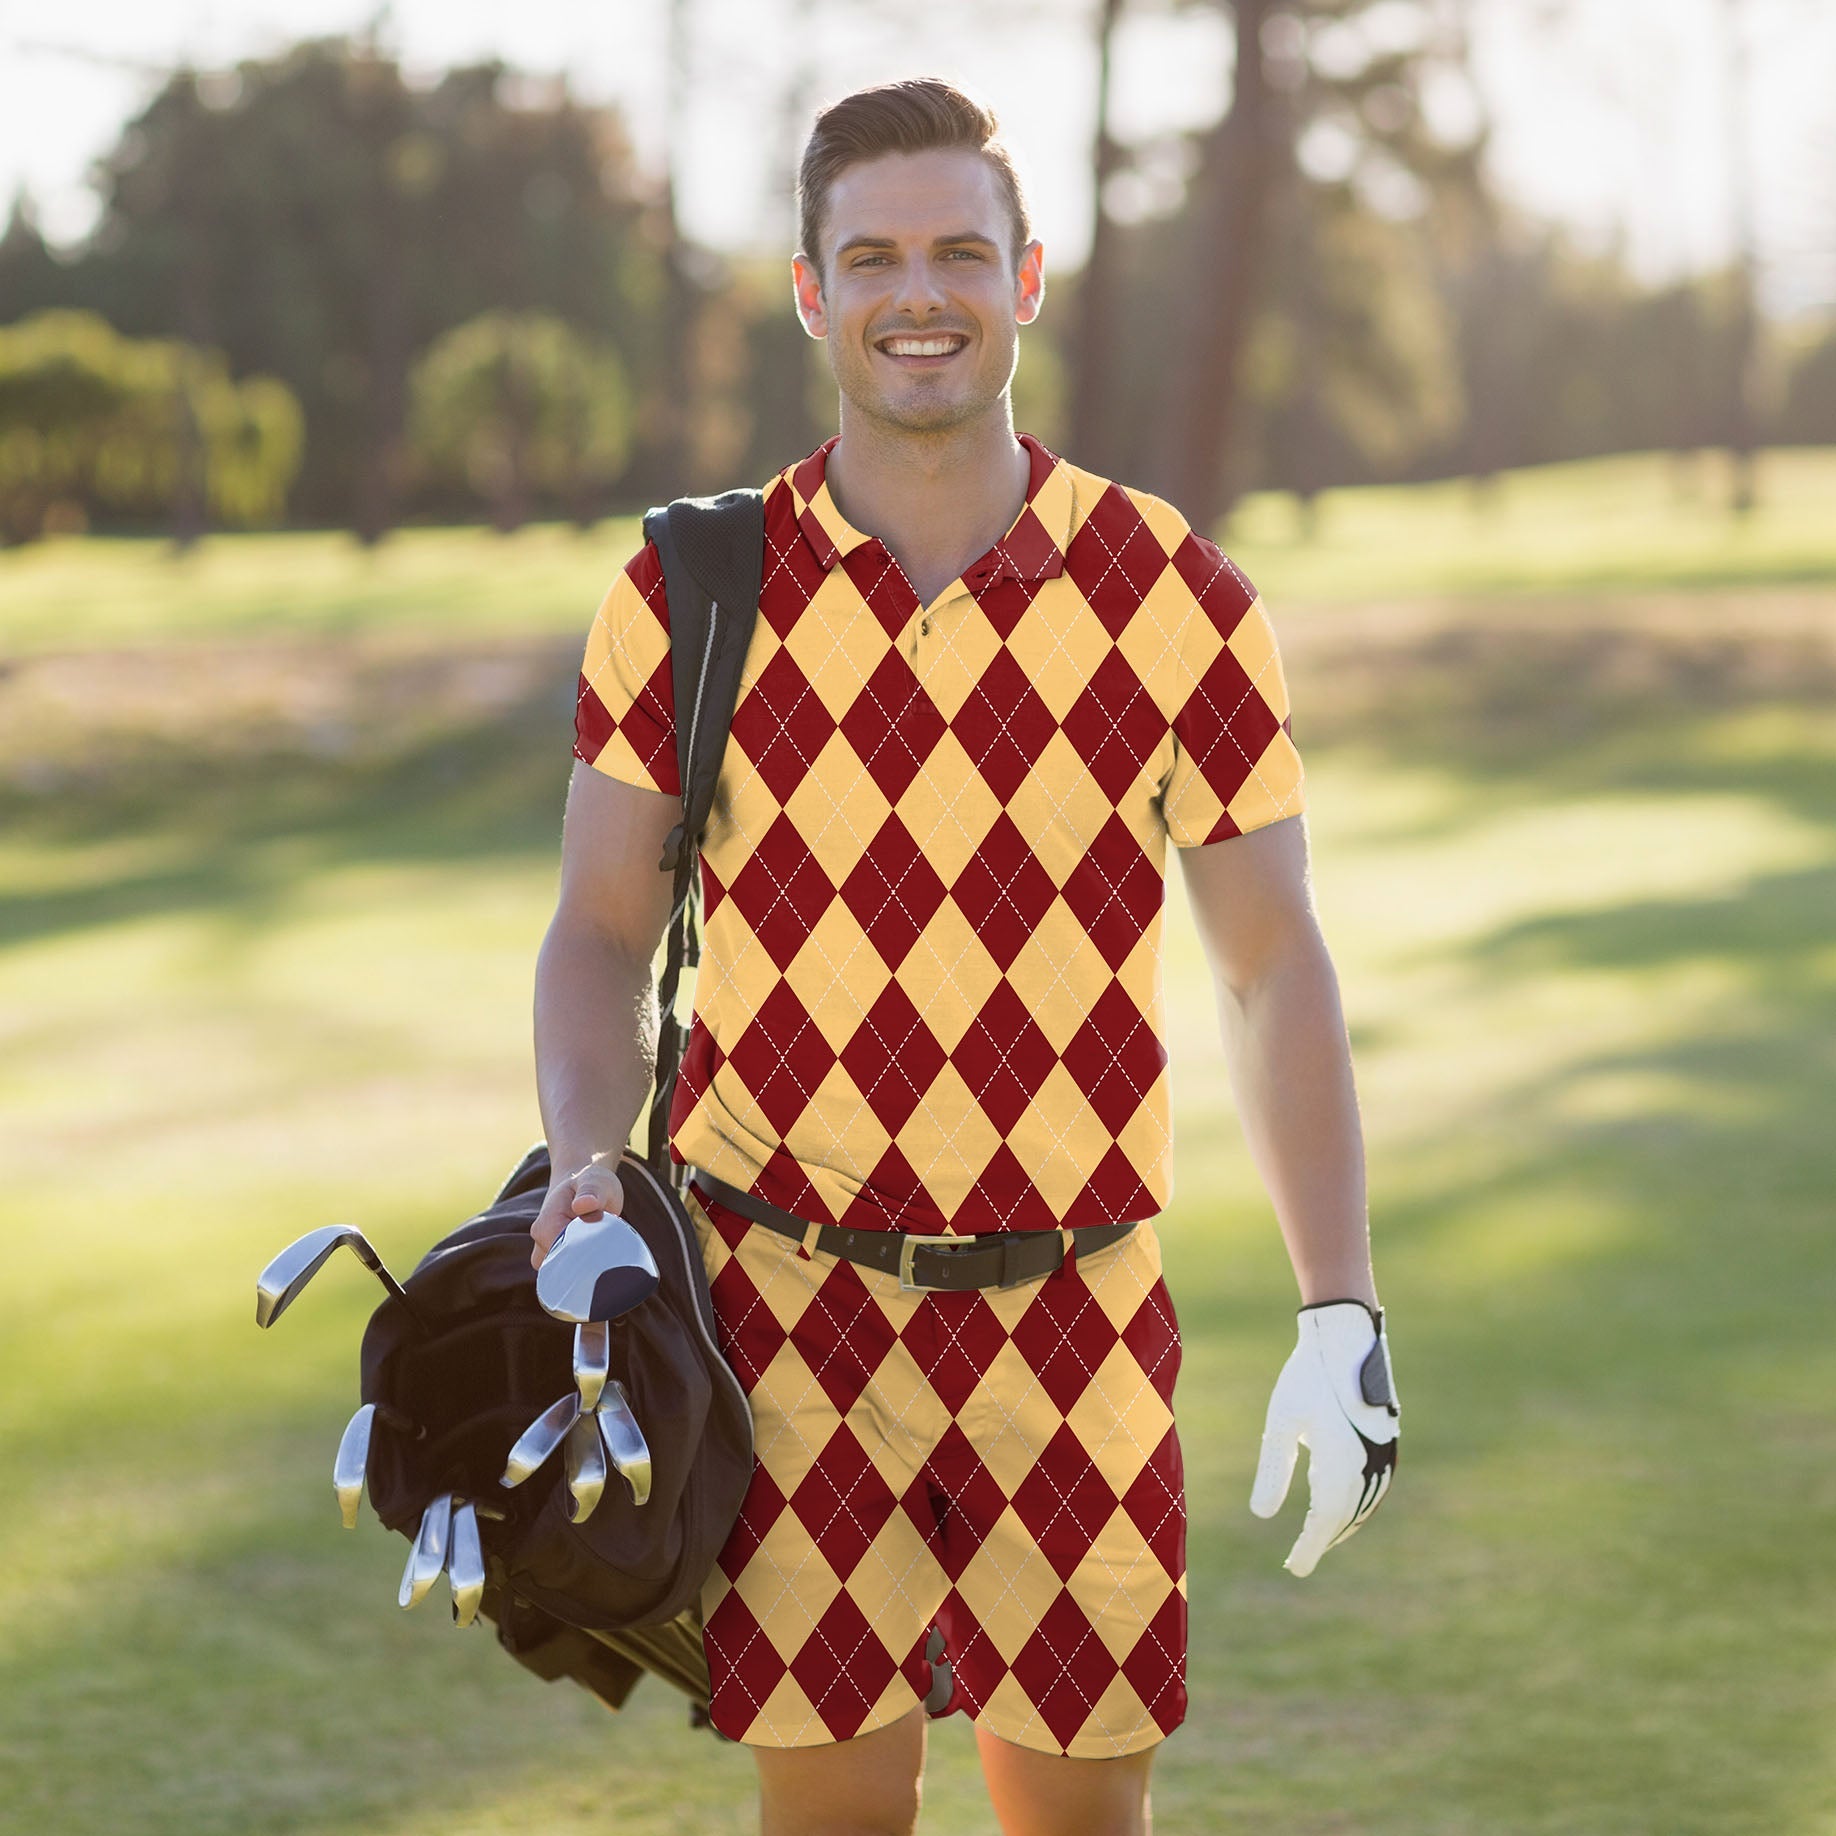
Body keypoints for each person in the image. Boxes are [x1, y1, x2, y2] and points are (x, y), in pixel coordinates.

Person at [531, 77, 1396, 1836]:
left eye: (957, 252)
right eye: (873, 257)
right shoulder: (699, 586)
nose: (917, 291)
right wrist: (582, 1163)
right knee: (834, 1819)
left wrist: (1342, 1308)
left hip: (1077, 1312)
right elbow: (603, 928)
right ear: (809, 290)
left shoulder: (1178, 595)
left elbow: (1270, 967)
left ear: (1030, 276)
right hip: (781, 1316)